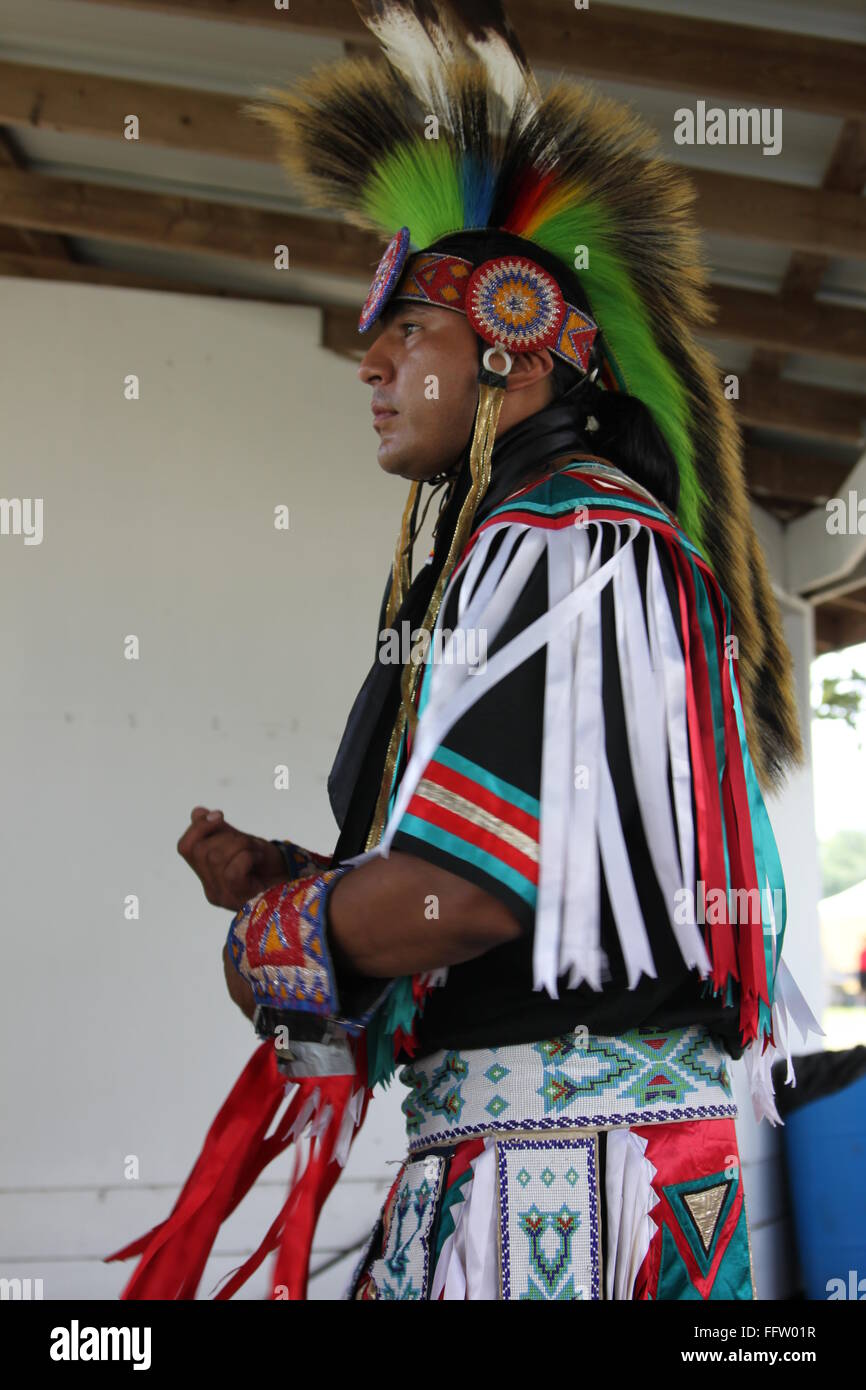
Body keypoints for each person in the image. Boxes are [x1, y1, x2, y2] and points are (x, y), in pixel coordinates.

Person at [107, 0, 821, 1301]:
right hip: (511, 1156)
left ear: (513, 345)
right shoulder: (525, 547)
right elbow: (497, 882)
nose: (368, 367)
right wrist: (308, 876)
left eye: (406, 336)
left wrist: (276, 930)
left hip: (568, 1180)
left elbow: (483, 895)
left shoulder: (573, 546)